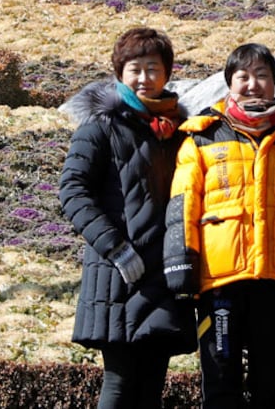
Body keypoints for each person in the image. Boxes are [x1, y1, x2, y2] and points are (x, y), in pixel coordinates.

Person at [164, 43, 275, 409]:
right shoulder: (202, 136)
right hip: (218, 282)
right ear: (229, 83)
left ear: (274, 82)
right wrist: (181, 267)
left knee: (271, 385)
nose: (253, 84)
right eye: (243, 76)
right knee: (221, 385)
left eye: (262, 76)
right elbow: (183, 205)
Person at [58, 27, 196, 409]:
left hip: (165, 274)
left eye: (153, 68)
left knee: (151, 388)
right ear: (119, 73)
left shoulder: (179, 132)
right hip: (120, 274)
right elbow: (73, 192)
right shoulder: (101, 126)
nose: (144, 78)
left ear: (167, 73)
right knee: (119, 385)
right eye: (135, 68)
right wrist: (115, 248)